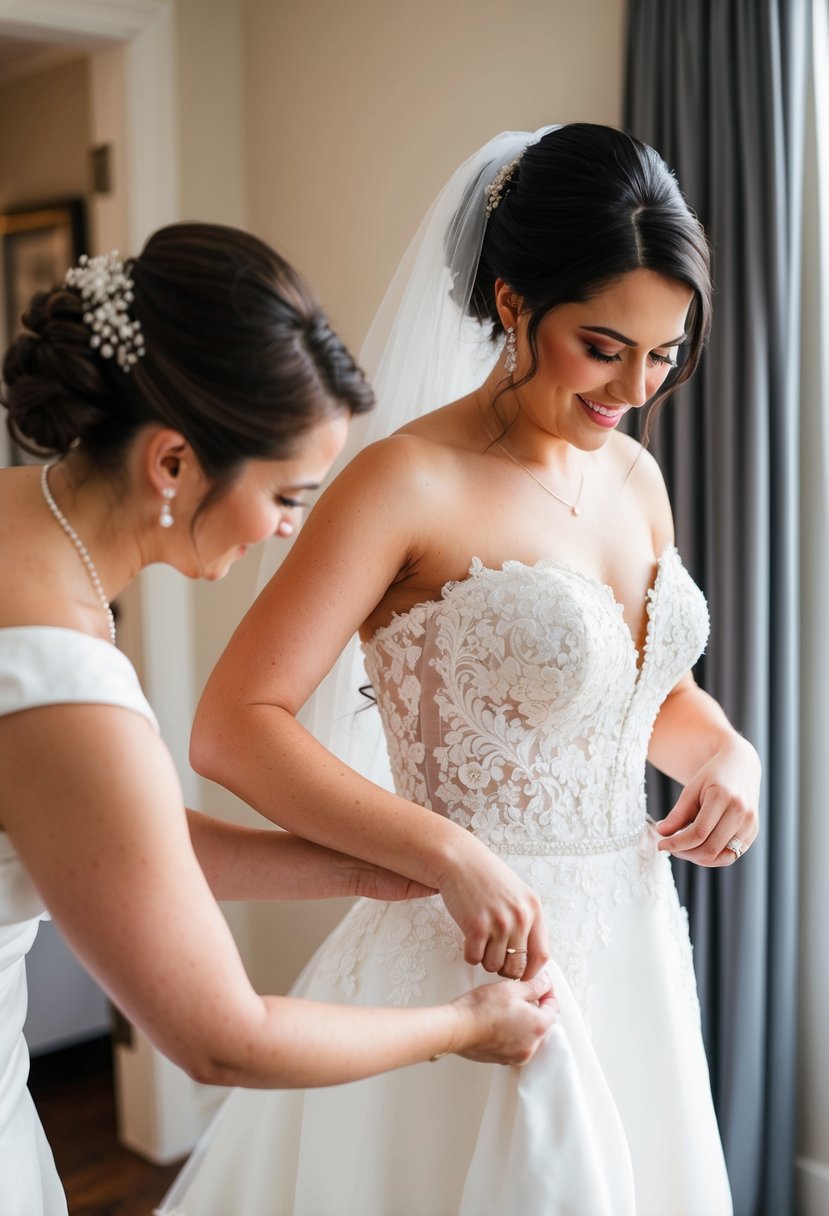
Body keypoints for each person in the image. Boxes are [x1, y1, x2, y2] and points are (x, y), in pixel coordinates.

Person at [157, 126, 761, 1216]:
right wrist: (444, 852)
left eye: (666, 352)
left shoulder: (631, 473)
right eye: (604, 345)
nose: (636, 385)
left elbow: (638, 693)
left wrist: (726, 753)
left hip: (631, 946)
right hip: (466, 951)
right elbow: (234, 724)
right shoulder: (402, 482)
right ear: (513, 302)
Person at [0, 223, 558, 1216]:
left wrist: (357, 866)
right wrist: (464, 1024)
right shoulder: (62, 677)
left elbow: (110, 840)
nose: (292, 528)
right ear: (172, 462)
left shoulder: (21, 534)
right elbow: (222, 1038)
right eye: (287, 494)